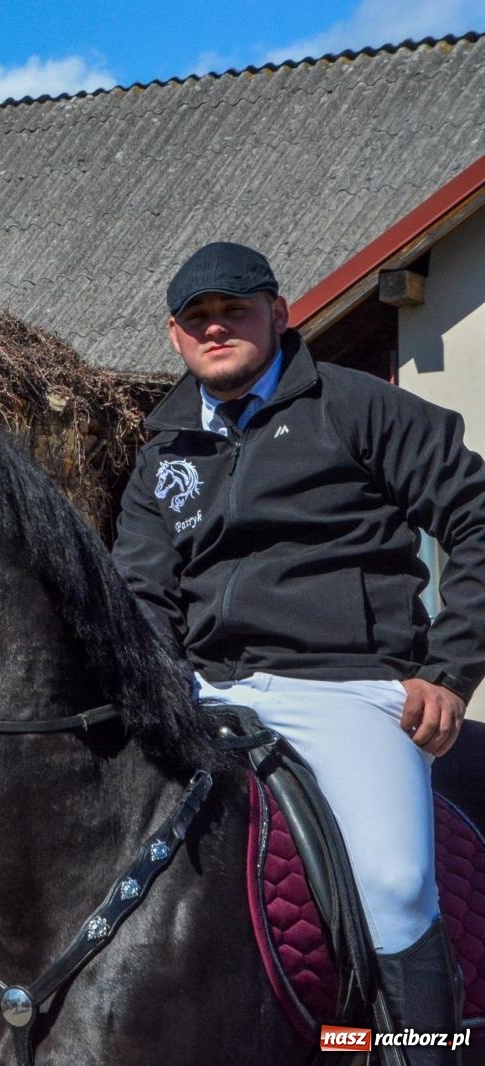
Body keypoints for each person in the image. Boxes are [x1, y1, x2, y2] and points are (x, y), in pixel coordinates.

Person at [114, 242, 485, 1061]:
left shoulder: (357, 407)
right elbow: (141, 598)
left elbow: (476, 516)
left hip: (347, 684)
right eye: (197, 319)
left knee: (395, 885)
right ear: (175, 336)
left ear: (278, 315)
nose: (216, 329)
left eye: (235, 311)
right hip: (208, 693)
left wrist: (450, 671)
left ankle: (422, 1050)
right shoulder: (162, 455)